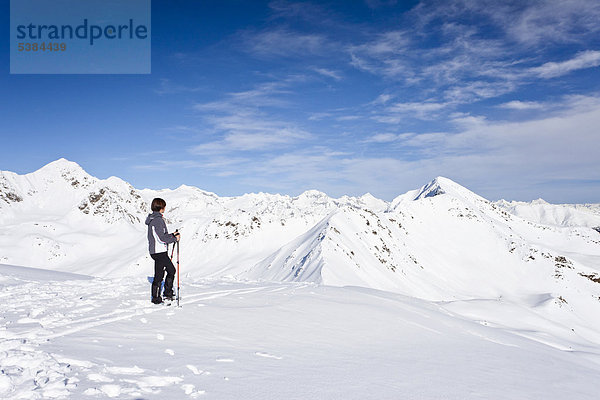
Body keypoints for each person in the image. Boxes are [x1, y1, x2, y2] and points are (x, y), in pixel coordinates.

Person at [145, 198, 180, 304]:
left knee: (164, 272)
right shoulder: (157, 220)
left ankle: (162, 295)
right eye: (164, 206)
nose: (165, 208)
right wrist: (174, 239)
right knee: (167, 272)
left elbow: (161, 236)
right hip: (159, 252)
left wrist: (171, 235)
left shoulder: (154, 219)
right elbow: (161, 238)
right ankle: (161, 296)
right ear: (160, 207)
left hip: (157, 251)